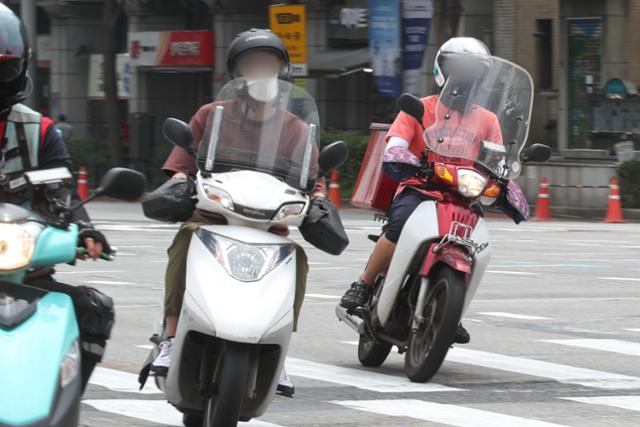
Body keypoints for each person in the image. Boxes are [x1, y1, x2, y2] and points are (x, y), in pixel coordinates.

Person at [149, 28, 325, 397]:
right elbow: (182, 163)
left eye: (268, 64)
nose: (260, 71)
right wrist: (180, 181)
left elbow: (313, 177)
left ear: (282, 71)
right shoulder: (212, 115)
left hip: (269, 224)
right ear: (237, 72)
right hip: (212, 217)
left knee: (297, 259)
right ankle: (170, 333)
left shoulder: (295, 128)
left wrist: (320, 201)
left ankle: (278, 350)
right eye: (251, 64)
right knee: (185, 239)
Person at [340, 37, 503, 344]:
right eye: (458, 69)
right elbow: (396, 143)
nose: (464, 78)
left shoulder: (488, 119)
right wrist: (403, 155)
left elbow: (497, 159)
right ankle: (363, 284)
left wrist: (505, 177)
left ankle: (452, 309)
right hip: (421, 187)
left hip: (464, 197)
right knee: (399, 225)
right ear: (442, 70)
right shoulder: (419, 109)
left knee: (477, 246)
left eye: (472, 72)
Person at [0, 3, 112, 388]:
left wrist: (85, 230)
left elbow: (60, 195)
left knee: (92, 309)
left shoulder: (38, 131)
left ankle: (62, 402)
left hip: (23, 272)